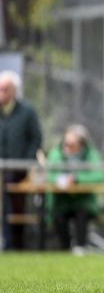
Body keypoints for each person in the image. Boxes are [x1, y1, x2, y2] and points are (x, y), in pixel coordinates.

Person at [46, 125, 104, 255]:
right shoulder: (56, 153)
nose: (67, 147)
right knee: (58, 217)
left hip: (84, 200)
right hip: (62, 201)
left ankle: (80, 248)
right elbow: (51, 175)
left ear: (81, 143)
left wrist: (77, 178)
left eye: (71, 144)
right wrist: (63, 180)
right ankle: (65, 249)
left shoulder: (91, 154)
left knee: (82, 213)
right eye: (65, 144)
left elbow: (99, 176)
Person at [0, 70, 43, 250]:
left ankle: (16, 247)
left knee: (17, 210)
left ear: (14, 91)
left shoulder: (27, 111)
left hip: (18, 171)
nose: (2, 93)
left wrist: (25, 160)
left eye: (6, 89)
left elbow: (36, 138)